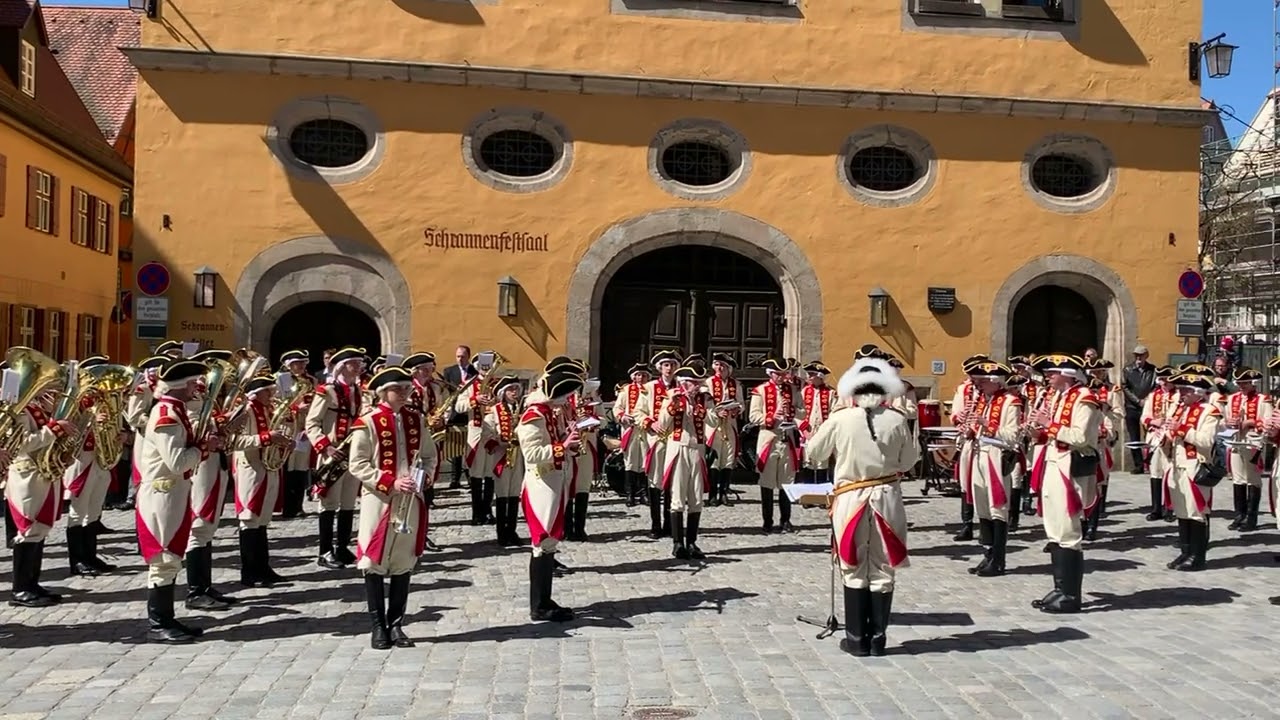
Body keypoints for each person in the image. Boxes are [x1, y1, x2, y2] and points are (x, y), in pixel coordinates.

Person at [805, 355, 917, 657]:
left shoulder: (840, 418)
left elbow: (813, 454)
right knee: (882, 566)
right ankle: (878, 639)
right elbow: (909, 461)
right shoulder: (897, 419)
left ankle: (856, 639)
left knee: (852, 564)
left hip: (851, 497)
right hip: (887, 497)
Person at [347, 365, 438, 649]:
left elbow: (428, 456)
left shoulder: (416, 419)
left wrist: (422, 479)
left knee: (403, 560)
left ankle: (396, 623)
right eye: (398, 389)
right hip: (380, 498)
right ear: (383, 392)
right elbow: (357, 464)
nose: (404, 393)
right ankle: (378, 626)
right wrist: (390, 481)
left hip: (410, 497)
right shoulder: (368, 421)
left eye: (407, 388)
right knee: (373, 559)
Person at [137, 359, 222, 642]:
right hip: (164, 491)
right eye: (194, 383)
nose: (197, 388)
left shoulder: (175, 410)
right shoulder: (166, 415)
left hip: (173, 490)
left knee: (171, 557)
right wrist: (203, 447)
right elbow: (176, 462)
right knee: (164, 558)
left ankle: (166, 618)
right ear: (184, 385)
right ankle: (159, 622)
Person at [1026, 354, 1101, 614]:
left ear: (1068, 373)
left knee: (1068, 529)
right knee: (1055, 528)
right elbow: (1053, 432)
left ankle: (1070, 594)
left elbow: (1080, 436)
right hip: (1053, 463)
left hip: (1070, 466)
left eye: (1053, 371)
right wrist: (1038, 431)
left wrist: (1050, 424)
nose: (1048, 375)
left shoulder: (1084, 398)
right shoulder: (1058, 396)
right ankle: (1060, 588)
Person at [518, 369, 584, 622]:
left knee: (549, 544)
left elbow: (556, 444)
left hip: (554, 479)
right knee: (542, 542)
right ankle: (539, 605)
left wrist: (570, 443)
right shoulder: (533, 416)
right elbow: (532, 454)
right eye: (565, 395)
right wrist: (562, 447)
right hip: (541, 483)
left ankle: (545, 599)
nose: (568, 400)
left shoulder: (549, 414)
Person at [6, 380, 75, 607]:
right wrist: (54, 428)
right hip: (27, 475)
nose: (49, 390)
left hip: (43, 473)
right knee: (28, 531)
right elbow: (23, 443)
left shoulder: (35, 407)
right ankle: (21, 588)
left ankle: (32, 583)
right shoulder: (17, 409)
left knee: (40, 530)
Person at [304, 346, 366, 569]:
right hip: (332, 453)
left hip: (352, 453)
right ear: (343, 366)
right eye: (354, 363)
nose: (359, 367)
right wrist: (325, 447)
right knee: (329, 503)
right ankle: (325, 551)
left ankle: (342, 547)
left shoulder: (358, 391)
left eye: (360, 363)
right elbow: (311, 423)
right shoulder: (326, 391)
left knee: (348, 502)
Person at [230, 374, 293, 588]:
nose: (272, 395)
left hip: (267, 467)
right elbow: (233, 441)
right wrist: (267, 438)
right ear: (256, 393)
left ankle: (263, 568)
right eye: (268, 391)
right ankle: (249, 572)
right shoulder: (245, 410)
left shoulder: (267, 410)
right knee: (249, 519)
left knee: (263, 519)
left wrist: (283, 442)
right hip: (250, 468)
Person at [959, 361, 1022, 577]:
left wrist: (987, 424)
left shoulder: (1010, 402)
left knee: (998, 507)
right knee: (982, 506)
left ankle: (999, 559)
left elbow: (1012, 436)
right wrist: (969, 430)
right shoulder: (982, 400)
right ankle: (987, 554)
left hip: (996, 456)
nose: (979, 385)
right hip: (978, 454)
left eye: (983, 381)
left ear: (995, 381)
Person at [63, 355, 123, 577]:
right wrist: (91, 420)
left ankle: (90, 556)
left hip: (101, 459)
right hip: (83, 459)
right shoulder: (74, 399)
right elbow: (68, 427)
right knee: (78, 511)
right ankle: (77, 560)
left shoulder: (104, 397)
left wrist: (116, 433)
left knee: (94, 511)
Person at [654, 365, 719, 560]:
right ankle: (677, 543)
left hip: (697, 449)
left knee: (696, 497)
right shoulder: (672, 397)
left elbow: (714, 422)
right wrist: (671, 404)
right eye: (694, 383)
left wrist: (711, 409)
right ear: (684, 382)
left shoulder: (704, 399)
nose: (698, 386)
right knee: (678, 496)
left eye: (700, 383)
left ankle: (692, 542)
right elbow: (663, 424)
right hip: (678, 447)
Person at [1164, 372, 1221, 571]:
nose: (1181, 393)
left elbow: (1207, 441)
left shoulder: (1209, 411)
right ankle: (1185, 551)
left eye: (1185, 390)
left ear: (1197, 392)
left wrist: (1182, 430)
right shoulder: (1181, 410)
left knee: (1197, 511)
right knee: (1182, 510)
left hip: (1196, 466)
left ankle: (1198, 556)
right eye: (1180, 389)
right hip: (1177, 465)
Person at [750, 357, 806, 533]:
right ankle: (767, 520)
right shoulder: (760, 391)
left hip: (787, 439)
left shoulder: (793, 390)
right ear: (770, 374)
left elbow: (803, 412)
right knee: (767, 481)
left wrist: (792, 411)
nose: (781, 378)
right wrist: (772, 416)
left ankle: (786, 519)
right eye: (778, 374)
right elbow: (753, 416)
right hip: (769, 439)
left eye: (783, 374)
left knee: (786, 481)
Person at [638, 351, 681, 538]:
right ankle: (656, 525)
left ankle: (670, 524)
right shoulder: (649, 387)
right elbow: (639, 411)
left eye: (672, 365)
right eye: (665, 365)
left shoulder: (681, 386)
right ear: (660, 368)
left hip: (676, 438)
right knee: (655, 481)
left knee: (673, 482)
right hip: (656, 438)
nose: (669, 368)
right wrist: (650, 423)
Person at [454, 352, 498, 526]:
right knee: (476, 474)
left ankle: (488, 511)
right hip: (477, 433)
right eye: (483, 366)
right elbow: (458, 406)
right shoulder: (469, 384)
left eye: (489, 366)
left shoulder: (498, 384)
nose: (486, 369)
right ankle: (476, 513)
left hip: (495, 433)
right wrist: (475, 400)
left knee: (490, 474)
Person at [1223, 367, 1269, 532]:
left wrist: (1250, 423)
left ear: (1252, 383)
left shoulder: (1262, 400)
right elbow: (1224, 420)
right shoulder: (1232, 398)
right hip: (1236, 441)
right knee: (1238, 478)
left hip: (1252, 442)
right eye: (1240, 383)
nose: (1242, 386)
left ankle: (1251, 517)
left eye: (1245, 383)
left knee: (1253, 479)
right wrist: (1229, 422)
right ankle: (1239, 515)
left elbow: (1267, 423)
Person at [947, 355, 988, 541]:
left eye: (977, 375)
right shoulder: (964, 389)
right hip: (968, 441)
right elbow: (954, 413)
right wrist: (960, 418)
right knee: (965, 481)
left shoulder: (992, 391)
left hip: (985, 441)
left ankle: (986, 524)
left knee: (982, 484)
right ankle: (967, 524)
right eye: (972, 375)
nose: (974, 379)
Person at [484, 376, 525, 546]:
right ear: (503, 392)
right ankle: (502, 533)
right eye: (511, 389)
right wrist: (499, 441)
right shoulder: (495, 410)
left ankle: (512, 531)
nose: (514, 392)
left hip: (518, 455)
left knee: (515, 493)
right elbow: (486, 434)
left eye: (516, 389)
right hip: (502, 455)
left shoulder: (521, 409)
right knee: (502, 494)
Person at [278, 349, 317, 519]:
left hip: (304, 428)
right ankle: (287, 506)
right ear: (289, 365)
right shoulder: (281, 380)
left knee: (301, 468)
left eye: (303, 362)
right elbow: (275, 405)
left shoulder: (311, 381)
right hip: (287, 426)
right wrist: (295, 409)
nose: (301, 366)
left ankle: (298, 505)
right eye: (297, 363)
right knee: (287, 467)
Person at [1139, 366, 1179, 522]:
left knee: (1169, 473)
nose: (1164, 382)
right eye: (1161, 379)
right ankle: (1156, 508)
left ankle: (1169, 507)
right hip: (1154, 437)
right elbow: (1144, 416)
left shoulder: (1178, 396)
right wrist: (1152, 421)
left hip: (1170, 438)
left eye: (1167, 379)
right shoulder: (1153, 396)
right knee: (1155, 472)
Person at [704, 353, 743, 507]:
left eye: (723, 366)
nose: (720, 368)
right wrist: (716, 412)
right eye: (717, 365)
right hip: (713, 426)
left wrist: (736, 410)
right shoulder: (708, 383)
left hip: (729, 425)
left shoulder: (736, 385)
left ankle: (724, 493)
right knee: (714, 460)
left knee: (727, 460)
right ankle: (712, 494)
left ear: (729, 369)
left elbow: (741, 403)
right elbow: (704, 405)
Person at [612, 362, 652, 507]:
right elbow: (617, 408)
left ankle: (643, 493)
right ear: (633, 377)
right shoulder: (626, 390)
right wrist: (622, 416)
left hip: (646, 429)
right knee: (630, 462)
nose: (641, 377)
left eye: (644, 375)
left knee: (644, 461)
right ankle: (630, 494)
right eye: (638, 375)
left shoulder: (651, 390)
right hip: (630, 429)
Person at [798, 362, 836, 485]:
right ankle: (808, 494)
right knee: (808, 461)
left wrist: (826, 431)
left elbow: (834, 413)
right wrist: (804, 430)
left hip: (823, 431)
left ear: (820, 376)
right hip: (808, 430)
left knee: (822, 462)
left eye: (812, 374)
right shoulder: (804, 392)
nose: (808, 377)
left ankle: (821, 495)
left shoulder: (830, 393)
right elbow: (798, 412)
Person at [1121, 346, 1156, 472]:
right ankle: (1138, 465)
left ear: (1146, 355)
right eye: (1136, 355)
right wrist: (1137, 401)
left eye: (1141, 355)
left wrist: (1147, 400)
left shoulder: (1153, 370)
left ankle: (1151, 462)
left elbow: (1155, 386)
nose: (1138, 358)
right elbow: (1125, 387)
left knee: (1151, 436)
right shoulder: (1128, 369)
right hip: (1132, 407)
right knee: (1134, 437)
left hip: (1148, 407)